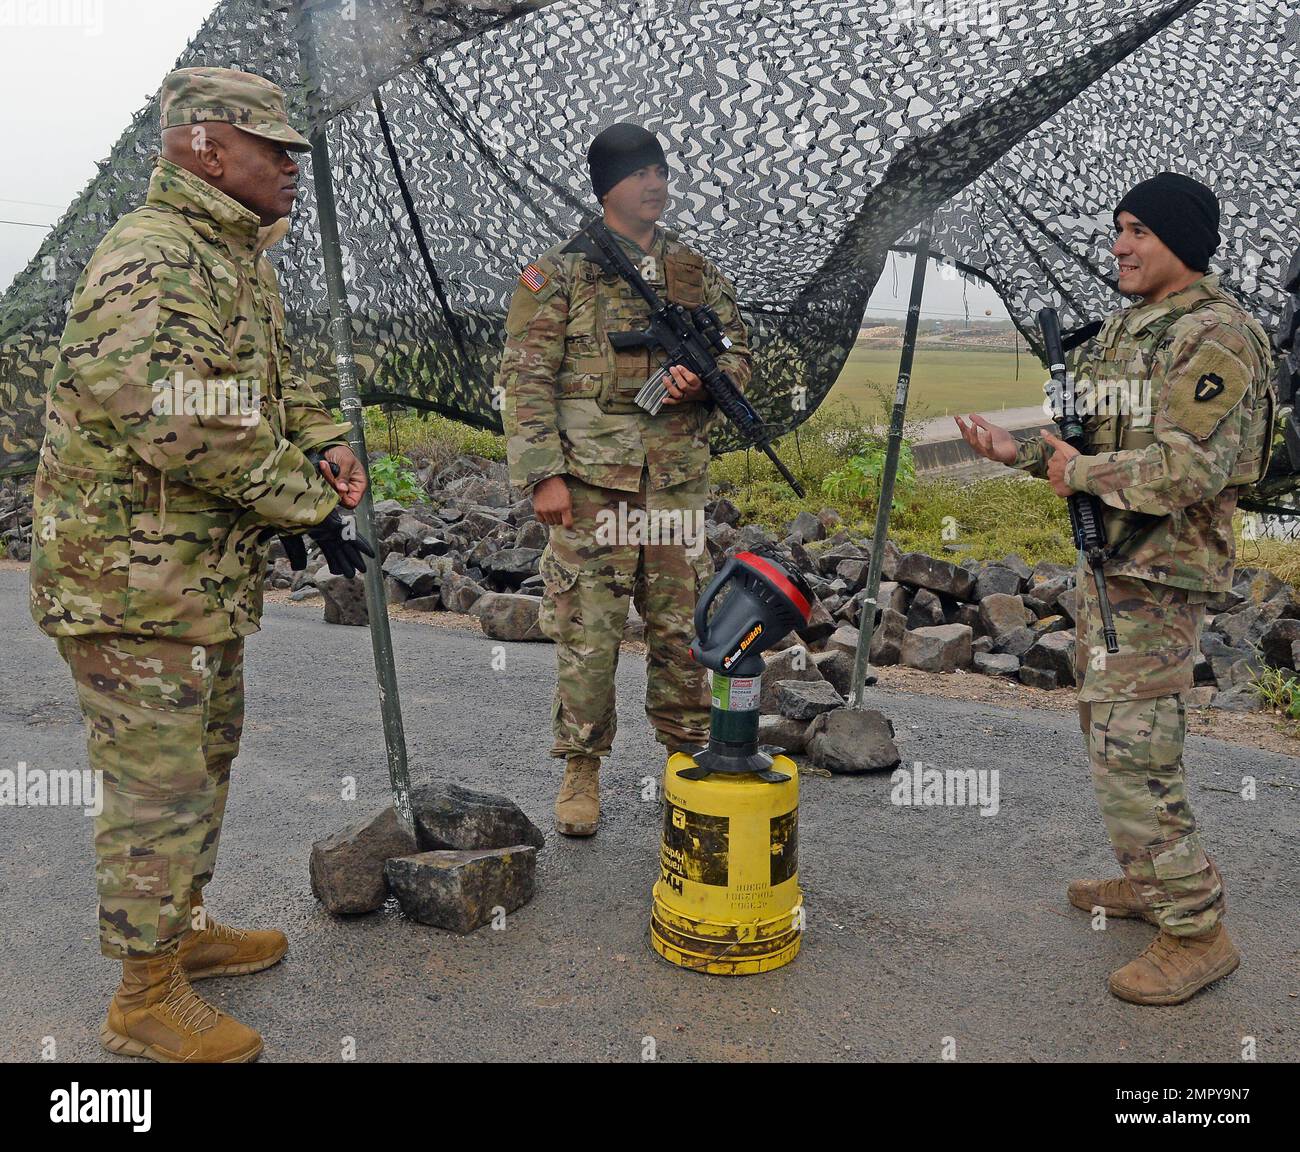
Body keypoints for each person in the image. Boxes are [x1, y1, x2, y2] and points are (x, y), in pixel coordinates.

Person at [29, 67, 370, 1061]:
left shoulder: (234, 258)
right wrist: (306, 502)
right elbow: (180, 420)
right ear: (203, 147)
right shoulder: (153, 254)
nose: (291, 168)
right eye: (273, 149)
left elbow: (268, 378)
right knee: (157, 787)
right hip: (129, 583)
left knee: (201, 761)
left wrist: (321, 440)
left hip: (189, 581)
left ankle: (177, 934)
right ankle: (142, 998)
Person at [956, 172, 1273, 1005]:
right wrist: (1017, 451)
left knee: (1135, 749)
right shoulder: (1133, 328)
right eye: (1117, 229)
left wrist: (1078, 469)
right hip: (1116, 567)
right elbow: (1083, 440)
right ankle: (1151, 878)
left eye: (1138, 231)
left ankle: (1197, 931)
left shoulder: (1217, 335)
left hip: (1161, 574)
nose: (1119, 246)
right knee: (1114, 737)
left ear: (1181, 242)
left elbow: (1190, 467)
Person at [499, 123, 752, 836]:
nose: (656, 184)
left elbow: (740, 355)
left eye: (662, 171)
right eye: (640, 173)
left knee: (680, 631)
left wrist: (703, 380)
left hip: (672, 489)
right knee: (590, 632)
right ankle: (582, 768)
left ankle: (683, 757)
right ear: (607, 185)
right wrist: (542, 476)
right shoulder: (563, 273)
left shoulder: (695, 272)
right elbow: (524, 380)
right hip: (590, 488)